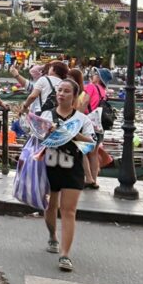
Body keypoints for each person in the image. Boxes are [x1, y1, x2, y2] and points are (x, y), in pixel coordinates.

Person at [41, 78, 95, 271]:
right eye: (59, 90)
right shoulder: (47, 115)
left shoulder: (82, 119)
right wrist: (47, 132)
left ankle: (65, 254)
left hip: (72, 167)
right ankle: (52, 236)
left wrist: (73, 134)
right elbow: (36, 136)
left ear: (74, 96)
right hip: (50, 165)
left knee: (69, 210)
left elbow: (90, 144)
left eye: (66, 91)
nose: (61, 94)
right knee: (51, 206)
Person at [82, 67, 109, 189]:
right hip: (99, 124)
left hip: (89, 123)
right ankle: (94, 180)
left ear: (98, 77)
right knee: (94, 153)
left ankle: (88, 178)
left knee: (82, 151)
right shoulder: (104, 90)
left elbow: (84, 102)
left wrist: (76, 116)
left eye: (94, 74)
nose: (92, 76)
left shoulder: (91, 87)